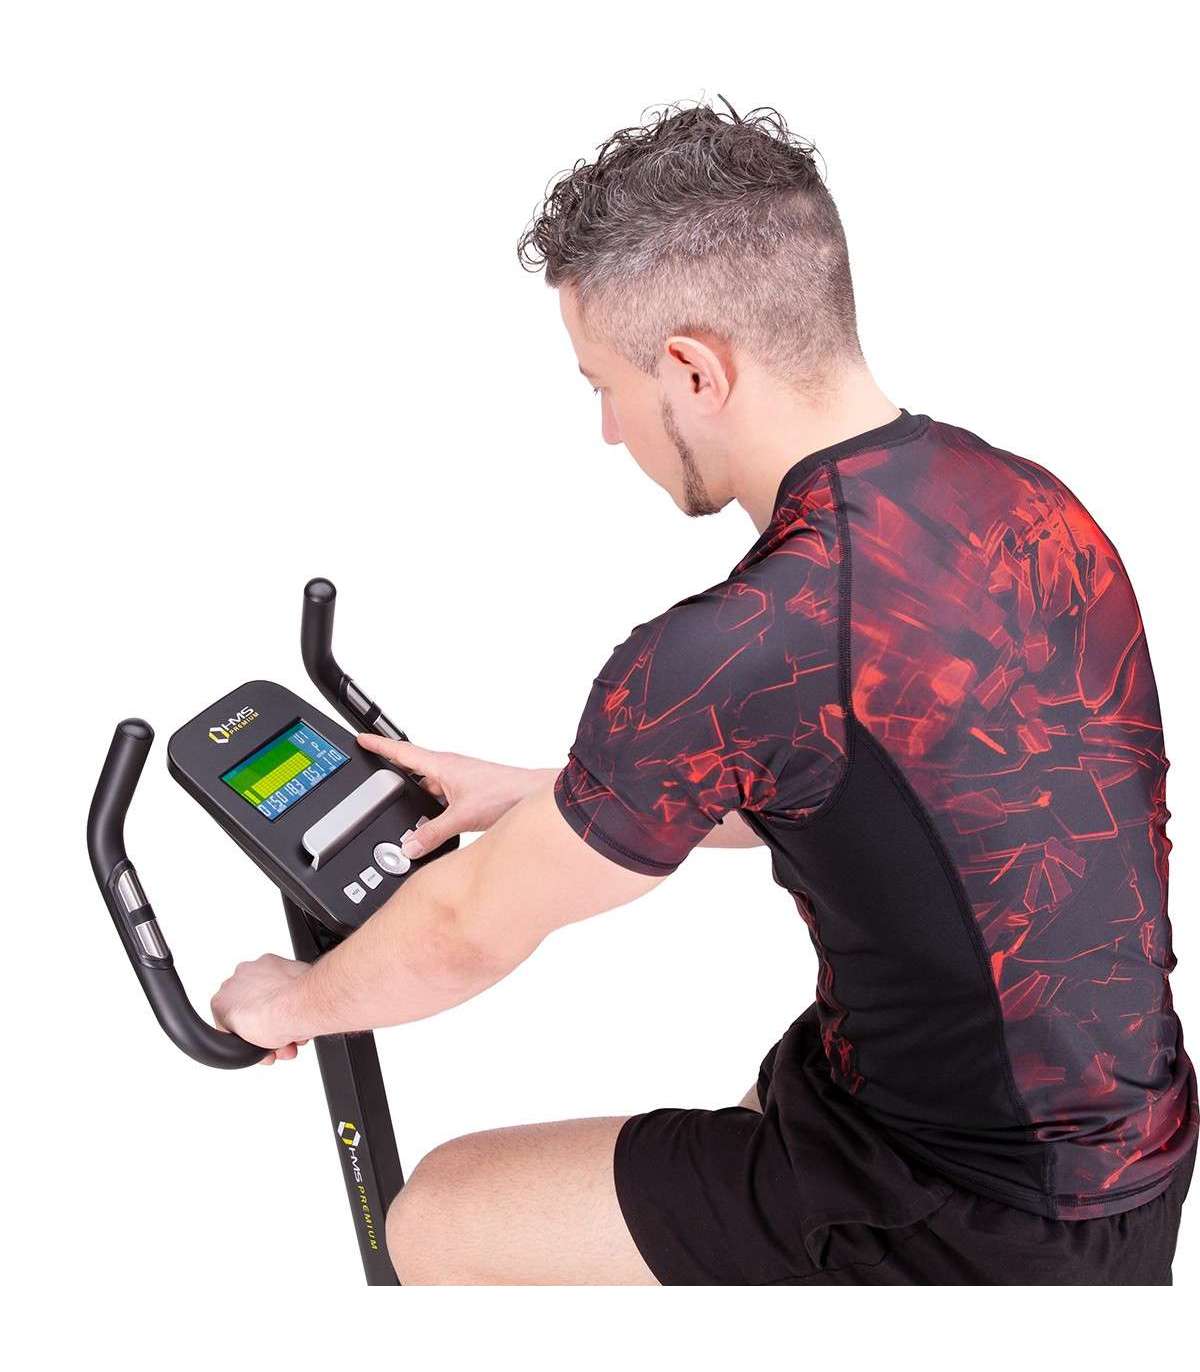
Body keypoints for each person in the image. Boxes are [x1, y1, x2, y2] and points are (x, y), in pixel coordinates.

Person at [210, 101, 1197, 1285]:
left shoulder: (744, 643)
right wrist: (536, 792)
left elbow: (470, 927)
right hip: (1125, 1164)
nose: (607, 428)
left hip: (971, 1219)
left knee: (437, 1214)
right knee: (749, 1118)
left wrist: (292, 999)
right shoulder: (1030, 508)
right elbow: (889, 783)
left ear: (692, 369)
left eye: (604, 384)